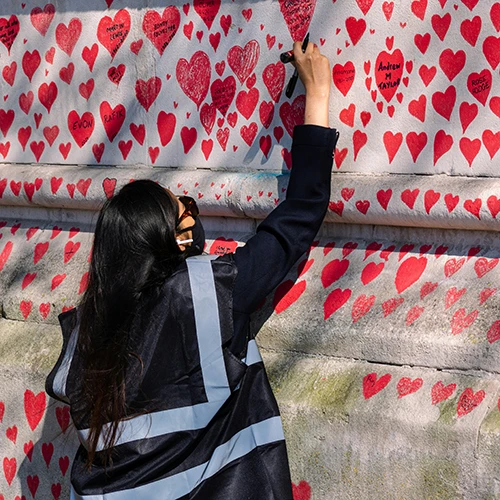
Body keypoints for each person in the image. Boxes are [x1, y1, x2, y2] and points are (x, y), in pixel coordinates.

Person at [45, 40, 339, 500]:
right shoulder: (206, 294)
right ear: (178, 238)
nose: (193, 214)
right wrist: (318, 95)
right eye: (185, 208)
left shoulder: (88, 329)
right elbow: (298, 217)